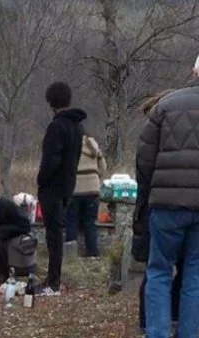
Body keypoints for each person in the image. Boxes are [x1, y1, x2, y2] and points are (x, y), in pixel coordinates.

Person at [136, 57, 199, 337]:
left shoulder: (166, 105)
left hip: (165, 205)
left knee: (159, 272)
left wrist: (153, 191)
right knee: (195, 278)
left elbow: (144, 159)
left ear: (194, 71)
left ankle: (157, 333)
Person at [131, 89, 183, 336]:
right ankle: (176, 321)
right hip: (178, 206)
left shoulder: (156, 127)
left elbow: (144, 167)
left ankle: (150, 325)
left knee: (157, 270)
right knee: (183, 270)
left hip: (156, 205)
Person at [36, 82, 86, 296]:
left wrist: (41, 179)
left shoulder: (57, 127)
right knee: (57, 235)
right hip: (68, 186)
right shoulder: (77, 126)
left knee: (53, 237)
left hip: (53, 188)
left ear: (51, 102)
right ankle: (53, 278)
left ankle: (53, 281)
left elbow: (51, 160)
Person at [63, 127, 107, 257]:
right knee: (90, 223)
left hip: (74, 189)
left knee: (71, 221)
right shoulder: (92, 145)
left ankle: (70, 255)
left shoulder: (69, 145)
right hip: (92, 190)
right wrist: (94, 177)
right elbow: (103, 167)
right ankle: (93, 254)